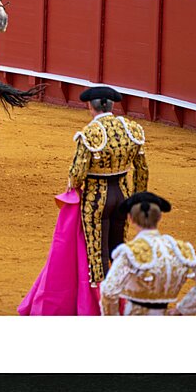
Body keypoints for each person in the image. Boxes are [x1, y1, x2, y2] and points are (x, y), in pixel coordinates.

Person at [69, 86, 148, 287]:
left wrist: (72, 186)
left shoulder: (90, 133)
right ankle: (124, 287)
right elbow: (142, 170)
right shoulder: (132, 129)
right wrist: (137, 198)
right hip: (123, 195)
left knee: (97, 248)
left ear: (90, 106)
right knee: (118, 243)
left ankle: (99, 292)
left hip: (97, 197)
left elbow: (77, 173)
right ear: (112, 105)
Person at [99, 192, 196, 315]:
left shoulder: (130, 252)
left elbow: (109, 291)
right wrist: (182, 310)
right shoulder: (180, 250)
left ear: (130, 218)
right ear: (159, 217)